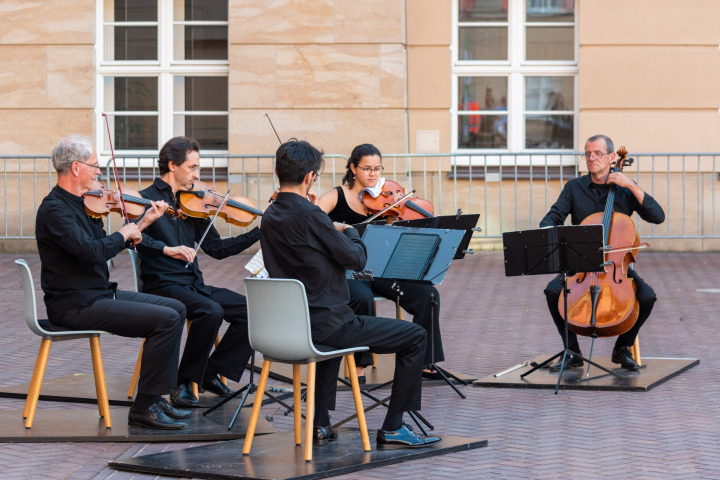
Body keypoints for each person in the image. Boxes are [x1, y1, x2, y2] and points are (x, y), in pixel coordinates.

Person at [260, 138, 441, 449]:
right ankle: (395, 426)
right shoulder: (311, 216)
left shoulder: (270, 215)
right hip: (326, 325)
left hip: (289, 326)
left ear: (277, 171)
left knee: (332, 340)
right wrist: (349, 231)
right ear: (309, 177)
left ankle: (319, 424)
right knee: (415, 336)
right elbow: (356, 259)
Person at [35, 135, 190, 429]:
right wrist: (123, 233)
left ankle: (156, 398)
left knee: (176, 308)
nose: (99, 173)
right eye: (95, 166)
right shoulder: (54, 210)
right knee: (166, 319)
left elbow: (104, 244)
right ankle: (144, 408)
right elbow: (93, 252)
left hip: (99, 294)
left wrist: (141, 224)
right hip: (75, 304)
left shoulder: (86, 205)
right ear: (76, 168)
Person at [137, 136, 259, 408]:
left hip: (194, 284)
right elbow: (134, 237)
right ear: (172, 165)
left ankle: (209, 371)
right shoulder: (146, 199)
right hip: (163, 285)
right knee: (211, 311)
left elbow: (216, 248)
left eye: (197, 168)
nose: (197, 174)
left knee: (255, 310)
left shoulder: (194, 203)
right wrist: (167, 249)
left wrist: (258, 233)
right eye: (192, 168)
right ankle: (182, 381)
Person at [316, 144, 444, 382]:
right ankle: (360, 366)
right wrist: (343, 227)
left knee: (428, 294)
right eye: (367, 169)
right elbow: (313, 219)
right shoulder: (336, 196)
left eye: (377, 169)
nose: (373, 174)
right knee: (361, 299)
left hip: (381, 269)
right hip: (349, 270)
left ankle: (425, 361)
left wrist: (395, 221)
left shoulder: (388, 199)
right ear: (353, 168)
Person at [540, 134, 665, 371]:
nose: (591, 158)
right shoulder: (574, 188)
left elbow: (657, 216)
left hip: (616, 266)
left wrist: (631, 185)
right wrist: (548, 230)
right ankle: (572, 352)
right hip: (582, 263)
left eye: (597, 154)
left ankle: (622, 349)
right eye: (587, 154)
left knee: (647, 297)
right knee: (552, 291)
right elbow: (553, 216)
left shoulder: (626, 190)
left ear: (611, 157)